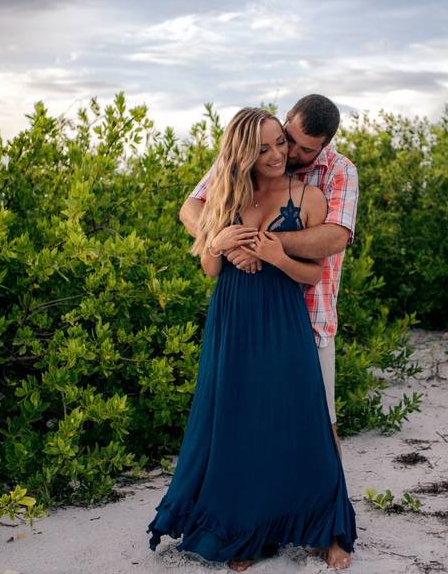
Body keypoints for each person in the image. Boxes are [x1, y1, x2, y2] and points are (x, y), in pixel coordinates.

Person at [147, 107, 356, 571]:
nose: (281, 153)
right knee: (239, 421)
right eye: (268, 146)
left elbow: (320, 261)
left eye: (282, 144)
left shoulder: (314, 191)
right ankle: (246, 533)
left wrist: (272, 251)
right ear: (245, 151)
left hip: (287, 317)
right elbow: (207, 260)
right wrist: (221, 243)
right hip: (233, 316)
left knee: (308, 421)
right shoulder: (227, 189)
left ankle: (327, 529)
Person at [179, 94, 358, 457]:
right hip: (244, 314)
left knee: (320, 419)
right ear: (287, 118)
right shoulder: (253, 148)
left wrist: (263, 245)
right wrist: (224, 243)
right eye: (286, 138)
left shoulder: (338, 171)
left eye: (302, 149)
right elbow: (192, 207)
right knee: (244, 414)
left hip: (310, 312)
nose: (287, 153)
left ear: (324, 146)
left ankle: (327, 507)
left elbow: (336, 236)